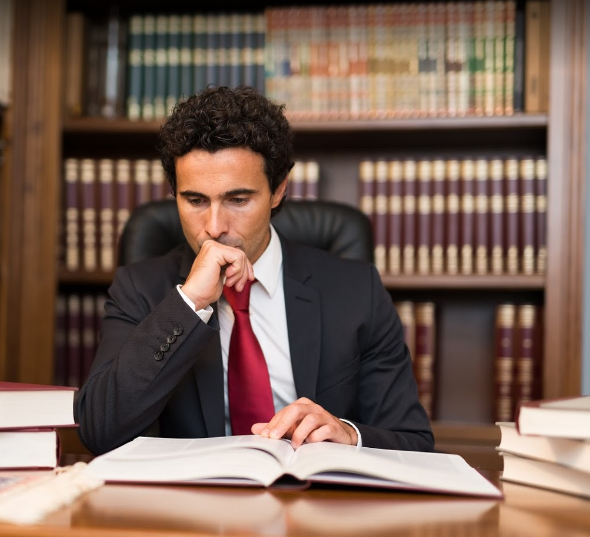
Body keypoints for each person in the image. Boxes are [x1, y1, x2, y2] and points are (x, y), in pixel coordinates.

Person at [74, 86, 434, 456]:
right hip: (194, 503)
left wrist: (347, 434)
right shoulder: (141, 289)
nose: (214, 227)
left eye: (238, 200)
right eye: (195, 200)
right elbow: (99, 432)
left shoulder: (358, 290)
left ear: (278, 190)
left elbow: (414, 442)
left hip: (317, 502)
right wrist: (190, 303)